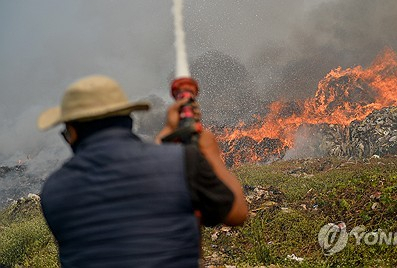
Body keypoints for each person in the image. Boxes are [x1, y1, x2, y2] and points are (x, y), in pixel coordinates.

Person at [38, 75, 248, 267]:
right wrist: (210, 150)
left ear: (72, 132)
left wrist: (167, 132)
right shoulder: (180, 163)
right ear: (128, 119)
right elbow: (237, 213)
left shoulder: (53, 191)